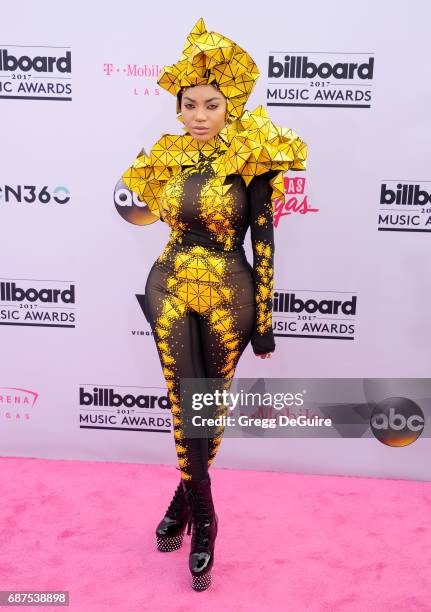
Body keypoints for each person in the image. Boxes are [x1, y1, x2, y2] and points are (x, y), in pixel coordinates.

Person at [121, 18, 307, 591]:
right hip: (170, 282)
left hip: (232, 290)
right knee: (184, 399)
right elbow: (148, 210)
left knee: (208, 405)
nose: (199, 115)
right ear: (178, 108)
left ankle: (183, 500)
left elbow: (263, 238)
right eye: (189, 105)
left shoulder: (253, 154)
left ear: (231, 107)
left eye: (211, 105)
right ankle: (206, 521)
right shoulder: (168, 154)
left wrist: (268, 319)